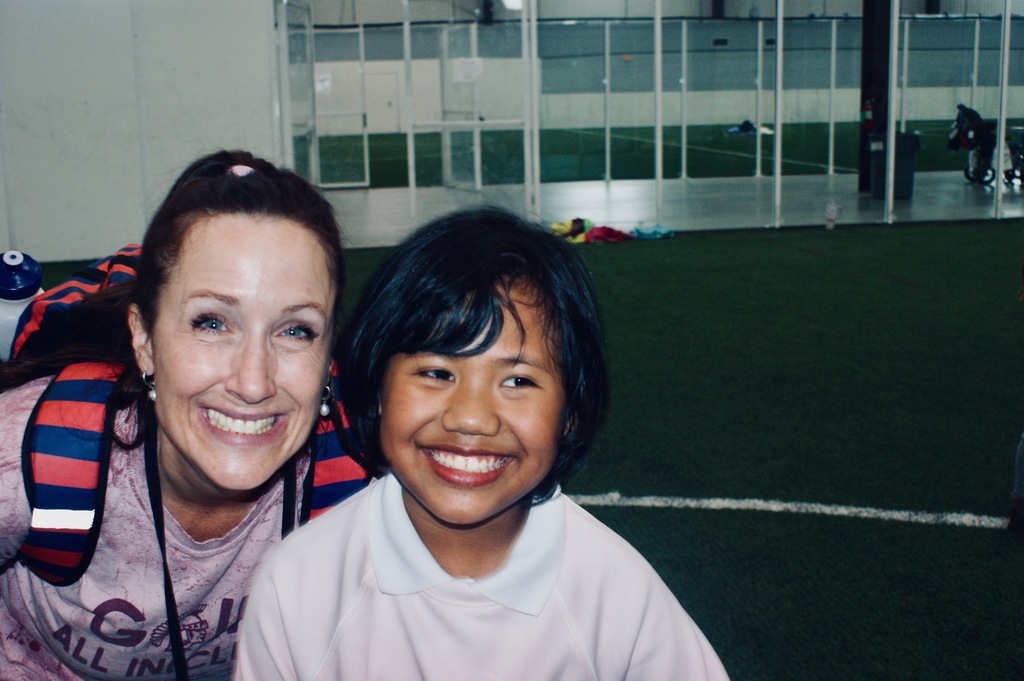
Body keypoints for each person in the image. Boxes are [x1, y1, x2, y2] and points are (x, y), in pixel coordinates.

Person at [234, 206, 730, 680]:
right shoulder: (298, 585)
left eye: (517, 381)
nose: (471, 419)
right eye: (436, 371)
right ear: (376, 387)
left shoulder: (617, 594)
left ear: (572, 414)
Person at [0, 150, 367, 680]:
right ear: (145, 340)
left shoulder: (359, 468)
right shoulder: (30, 456)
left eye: (295, 330)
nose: (252, 382)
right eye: (211, 323)